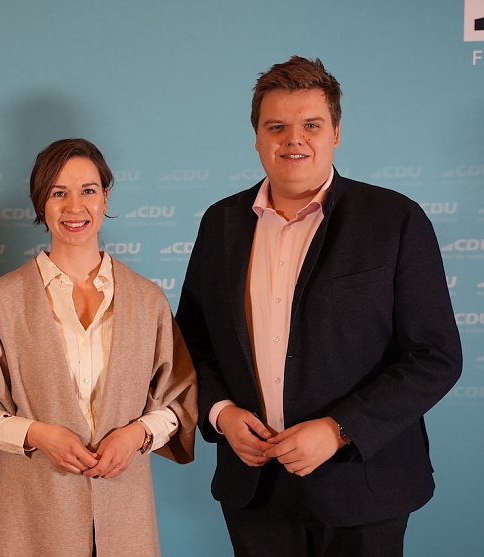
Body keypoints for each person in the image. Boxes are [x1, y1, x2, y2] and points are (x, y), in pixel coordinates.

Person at [176, 56, 463, 557]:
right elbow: (191, 340)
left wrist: (339, 430)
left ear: (336, 133)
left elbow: (435, 356)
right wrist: (221, 413)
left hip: (362, 485)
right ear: (257, 137)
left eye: (311, 125)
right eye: (277, 127)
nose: (294, 140)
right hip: (255, 489)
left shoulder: (395, 219)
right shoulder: (220, 223)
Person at [0, 138, 197, 556]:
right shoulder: (1, 301)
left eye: (88, 190)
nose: (74, 207)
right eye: (58, 193)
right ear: (40, 204)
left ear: (105, 198)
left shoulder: (147, 300)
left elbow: (179, 402)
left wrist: (136, 434)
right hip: (33, 517)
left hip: (125, 516)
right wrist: (37, 434)